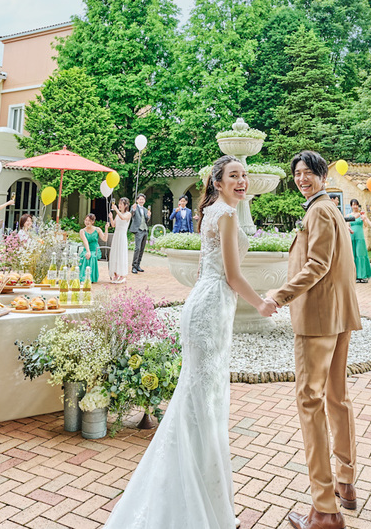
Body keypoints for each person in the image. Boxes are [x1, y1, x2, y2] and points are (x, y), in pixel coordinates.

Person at [103, 155, 271, 529]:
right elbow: (232, 275)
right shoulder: (225, 216)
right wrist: (261, 303)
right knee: (204, 403)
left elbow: (202, 269)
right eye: (234, 176)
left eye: (244, 175)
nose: (242, 181)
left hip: (205, 305)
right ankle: (201, 505)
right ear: (218, 181)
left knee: (200, 399)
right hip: (210, 309)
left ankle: (204, 495)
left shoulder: (212, 211)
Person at [260, 151, 361, 529]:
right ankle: (345, 483)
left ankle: (323, 509)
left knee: (309, 400)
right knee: (337, 396)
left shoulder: (318, 211)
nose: (302, 179)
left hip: (318, 317)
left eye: (308, 173)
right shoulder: (331, 208)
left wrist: (278, 295)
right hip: (338, 315)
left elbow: (317, 264)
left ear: (321, 175)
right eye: (297, 174)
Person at [347, 199, 371, 283]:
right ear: (351, 206)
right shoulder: (349, 215)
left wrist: (364, 219)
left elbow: (365, 225)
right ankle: (354, 275)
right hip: (352, 237)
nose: (355, 206)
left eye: (356, 205)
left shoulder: (361, 215)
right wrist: (349, 229)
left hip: (360, 237)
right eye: (353, 205)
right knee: (352, 256)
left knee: (360, 255)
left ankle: (362, 275)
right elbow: (347, 225)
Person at [108, 197, 131, 283]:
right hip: (116, 235)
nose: (119, 205)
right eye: (119, 204)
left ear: (125, 205)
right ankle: (115, 273)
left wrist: (116, 210)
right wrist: (111, 217)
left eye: (121, 204)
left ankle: (122, 274)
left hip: (122, 236)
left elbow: (122, 218)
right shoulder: (117, 214)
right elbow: (113, 225)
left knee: (121, 254)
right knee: (115, 253)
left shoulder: (128, 214)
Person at [80, 213, 105, 284]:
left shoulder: (97, 229)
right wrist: (88, 252)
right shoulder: (82, 231)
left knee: (93, 256)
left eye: (89, 221)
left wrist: (106, 229)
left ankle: (91, 278)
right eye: (86, 220)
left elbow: (105, 239)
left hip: (95, 250)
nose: (87, 222)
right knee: (86, 256)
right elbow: (85, 242)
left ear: (93, 222)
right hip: (86, 249)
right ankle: (83, 278)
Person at [129, 192, 150, 273]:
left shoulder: (145, 209)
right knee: (137, 248)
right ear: (137, 200)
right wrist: (133, 209)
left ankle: (138, 265)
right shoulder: (134, 207)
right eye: (140, 199)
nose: (141, 201)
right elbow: (132, 214)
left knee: (142, 248)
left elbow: (146, 220)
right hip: (138, 230)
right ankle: (133, 266)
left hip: (145, 230)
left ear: (144, 201)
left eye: (143, 199)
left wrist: (149, 216)